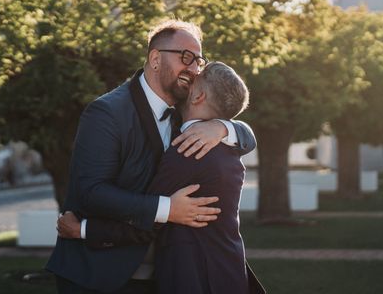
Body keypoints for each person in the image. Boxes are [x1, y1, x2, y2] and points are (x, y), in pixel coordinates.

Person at [46, 20, 257, 294]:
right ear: (155, 59)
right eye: (186, 58)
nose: (193, 70)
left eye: (198, 62)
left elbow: (245, 135)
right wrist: (169, 209)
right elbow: (91, 192)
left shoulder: (191, 111)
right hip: (103, 275)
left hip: (163, 275)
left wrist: (224, 127)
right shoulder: (107, 113)